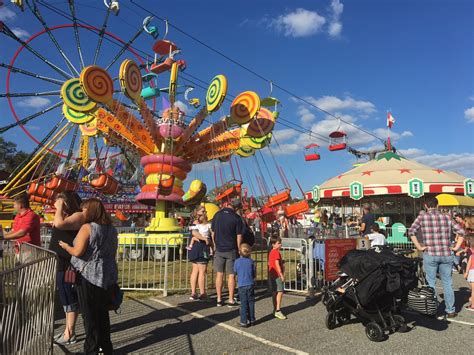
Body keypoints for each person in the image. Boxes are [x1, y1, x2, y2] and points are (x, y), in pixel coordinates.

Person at [59, 198, 118, 354]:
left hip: (88, 275)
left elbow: (78, 252)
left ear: (91, 211)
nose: (82, 212)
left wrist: (66, 247)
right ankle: (106, 348)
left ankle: (90, 349)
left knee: (89, 315)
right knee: (102, 313)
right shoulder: (111, 229)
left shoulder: (88, 227)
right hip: (107, 275)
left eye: (84, 209)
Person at [408, 197, 465, 318]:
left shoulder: (422, 217)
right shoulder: (447, 217)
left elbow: (411, 232)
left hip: (430, 253)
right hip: (446, 253)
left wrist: (419, 246)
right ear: (437, 205)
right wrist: (456, 247)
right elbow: (462, 232)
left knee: (431, 283)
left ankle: (432, 310)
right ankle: (450, 310)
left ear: (426, 206)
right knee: (448, 283)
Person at [49, 192, 86, 345]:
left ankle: (70, 333)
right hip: (61, 263)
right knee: (65, 296)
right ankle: (67, 330)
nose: (57, 204)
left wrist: (59, 208)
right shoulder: (67, 216)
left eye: (61, 201)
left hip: (68, 264)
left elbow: (59, 225)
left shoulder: (78, 215)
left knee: (68, 295)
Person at [211, 198, 244, 307]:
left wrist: (214, 244)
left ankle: (219, 299)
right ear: (237, 208)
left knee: (219, 274)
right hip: (231, 249)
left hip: (219, 248)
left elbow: (213, 232)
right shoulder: (237, 218)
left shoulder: (217, 215)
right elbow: (239, 235)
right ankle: (230, 299)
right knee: (231, 275)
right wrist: (239, 248)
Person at [188, 205, 212, 301]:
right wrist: (205, 239)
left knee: (196, 270)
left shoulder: (206, 223)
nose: (204, 212)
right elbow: (194, 233)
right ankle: (202, 293)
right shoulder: (194, 223)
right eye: (202, 211)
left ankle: (194, 293)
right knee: (201, 271)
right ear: (197, 212)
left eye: (205, 211)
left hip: (198, 247)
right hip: (200, 247)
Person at [233, 243, 256, 327]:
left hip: (242, 284)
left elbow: (235, 272)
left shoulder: (237, 262)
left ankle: (244, 321)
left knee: (243, 303)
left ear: (239, 252)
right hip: (250, 283)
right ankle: (252, 319)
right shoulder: (251, 262)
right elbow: (254, 273)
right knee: (251, 302)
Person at [268, 235, 286, 320]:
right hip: (277, 275)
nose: (280, 245)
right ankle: (278, 310)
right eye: (278, 243)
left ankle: (275, 309)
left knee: (275, 292)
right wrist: (281, 275)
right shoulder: (276, 252)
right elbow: (276, 264)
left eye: (280, 243)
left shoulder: (272, 252)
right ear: (273, 244)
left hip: (273, 275)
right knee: (280, 291)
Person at [464, 236, 474, 311]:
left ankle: (473, 305)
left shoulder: (472, 255)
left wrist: (466, 273)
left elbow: (469, 263)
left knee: (473, 290)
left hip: (472, 272)